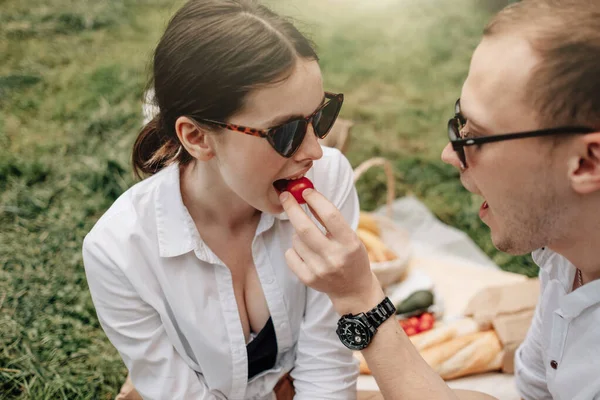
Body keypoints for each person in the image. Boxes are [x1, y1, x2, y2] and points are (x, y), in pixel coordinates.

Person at [278, 0, 600, 399]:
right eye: (457, 121)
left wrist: (361, 300)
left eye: (474, 136)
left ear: (586, 163)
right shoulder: (565, 257)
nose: (449, 154)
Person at [82, 0, 361, 398]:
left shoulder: (328, 179)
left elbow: (328, 360)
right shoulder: (119, 252)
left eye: (321, 116)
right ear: (196, 138)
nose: (314, 151)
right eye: (285, 132)